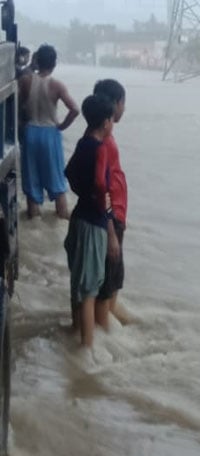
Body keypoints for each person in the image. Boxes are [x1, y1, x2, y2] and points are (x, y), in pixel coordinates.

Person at [63, 95, 119, 348]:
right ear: (107, 122)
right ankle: (86, 350)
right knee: (89, 291)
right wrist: (108, 221)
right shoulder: (100, 148)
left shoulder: (83, 142)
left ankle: (75, 332)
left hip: (78, 216)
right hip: (93, 223)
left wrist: (84, 195)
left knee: (78, 281)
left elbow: (69, 172)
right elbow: (101, 184)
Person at [19, 44, 78, 219]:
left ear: (36, 61)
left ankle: (34, 223)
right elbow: (75, 109)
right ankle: (61, 219)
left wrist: (22, 123)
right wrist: (61, 126)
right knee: (57, 182)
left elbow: (18, 105)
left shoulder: (25, 81)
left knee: (31, 183)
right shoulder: (57, 85)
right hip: (49, 133)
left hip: (30, 133)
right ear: (54, 64)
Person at [92, 79, 130, 329]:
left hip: (116, 216)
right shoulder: (103, 143)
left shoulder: (103, 137)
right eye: (123, 103)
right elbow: (100, 187)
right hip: (111, 218)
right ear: (116, 104)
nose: (124, 108)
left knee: (114, 279)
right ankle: (104, 335)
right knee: (106, 283)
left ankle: (111, 327)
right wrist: (111, 230)